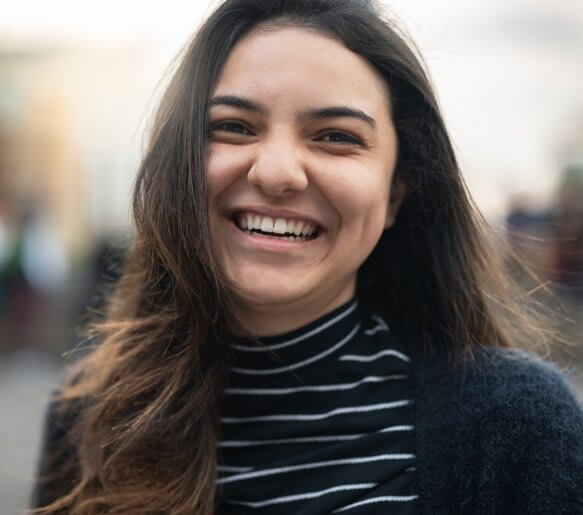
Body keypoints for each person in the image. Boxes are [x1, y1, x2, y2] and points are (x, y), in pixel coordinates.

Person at [31, 0, 583, 513]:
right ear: (178, 163)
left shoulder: (515, 427)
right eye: (233, 127)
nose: (275, 173)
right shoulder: (87, 420)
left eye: (336, 137)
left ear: (395, 192)